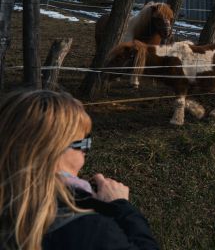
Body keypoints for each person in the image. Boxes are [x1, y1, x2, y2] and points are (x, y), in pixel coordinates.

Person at [0, 90, 158, 250]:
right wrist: (121, 207)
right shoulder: (89, 229)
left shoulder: (9, 211)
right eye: (83, 143)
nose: (85, 152)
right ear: (54, 150)